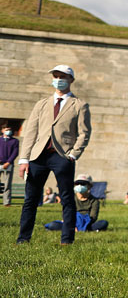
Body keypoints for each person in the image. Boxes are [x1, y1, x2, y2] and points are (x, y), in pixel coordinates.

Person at [17, 64, 92, 246]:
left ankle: (66, 239)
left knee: (67, 199)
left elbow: (84, 133)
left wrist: (73, 154)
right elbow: (31, 132)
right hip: (38, 156)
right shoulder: (41, 104)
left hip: (62, 156)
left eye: (63, 76)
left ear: (71, 80)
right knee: (30, 200)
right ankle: (23, 238)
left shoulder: (79, 105)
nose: (58, 80)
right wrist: (24, 159)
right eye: (56, 76)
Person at [0, 121, 18, 207]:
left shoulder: (15, 141)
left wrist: (8, 162)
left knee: (7, 184)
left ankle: (6, 202)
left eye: (10, 130)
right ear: (2, 130)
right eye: (7, 129)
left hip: (8, 164)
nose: (8, 131)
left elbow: (15, 152)